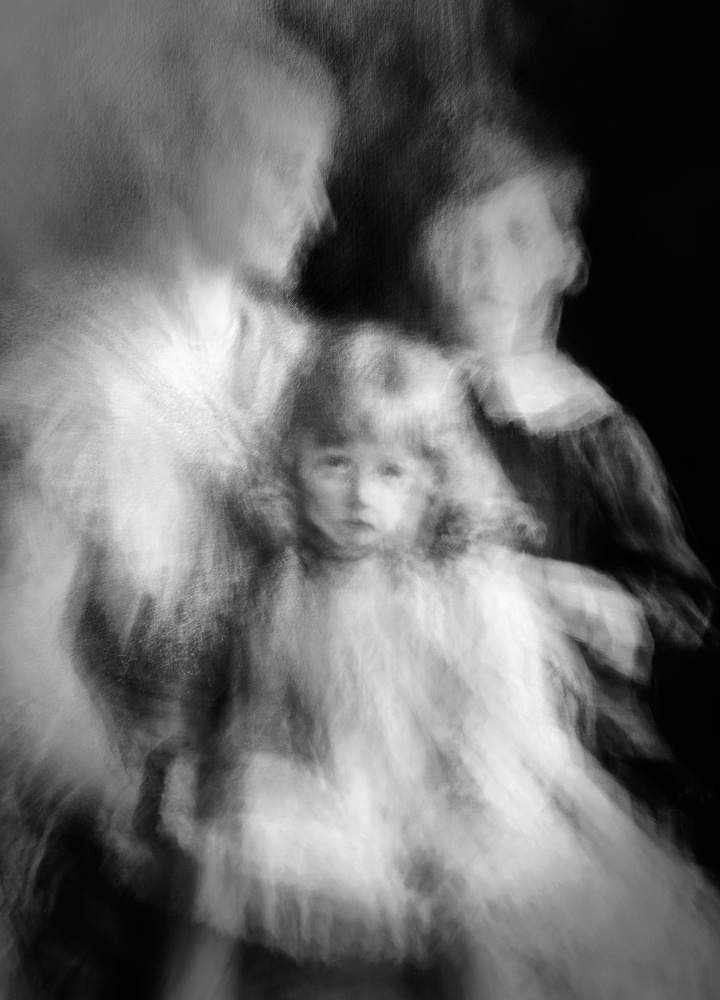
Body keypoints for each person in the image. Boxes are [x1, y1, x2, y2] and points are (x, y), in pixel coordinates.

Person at [163, 328, 720, 999]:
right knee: (219, 866)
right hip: (345, 796)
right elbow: (272, 711)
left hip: (466, 801)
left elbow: (507, 737)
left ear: (432, 479)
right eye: (335, 464)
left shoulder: (467, 591)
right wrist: (237, 768)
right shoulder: (288, 589)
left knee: (472, 918)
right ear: (293, 461)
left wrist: (440, 827)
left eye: (391, 473)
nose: (361, 496)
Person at [0, 14, 340, 998]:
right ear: (173, 154)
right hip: (113, 842)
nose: (317, 209)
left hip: (297, 813)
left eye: (321, 174)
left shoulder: (303, 365)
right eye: (283, 167)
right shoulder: (73, 378)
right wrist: (145, 804)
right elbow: (18, 655)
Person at [414, 133, 714, 781]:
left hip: (571, 731)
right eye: (461, 236)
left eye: (518, 237)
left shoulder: (592, 432)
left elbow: (682, 604)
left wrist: (600, 603)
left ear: (568, 259)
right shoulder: (400, 395)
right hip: (424, 707)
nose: (484, 264)